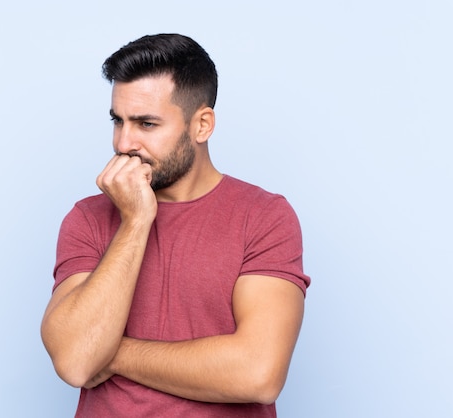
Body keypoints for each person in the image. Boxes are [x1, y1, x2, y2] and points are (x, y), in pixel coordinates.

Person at [41, 33, 310, 417]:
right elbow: (75, 361)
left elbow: (258, 373)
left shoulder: (264, 216)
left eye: (146, 124)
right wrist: (135, 221)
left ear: (201, 125)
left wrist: (115, 352)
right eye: (118, 121)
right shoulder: (88, 218)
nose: (124, 143)